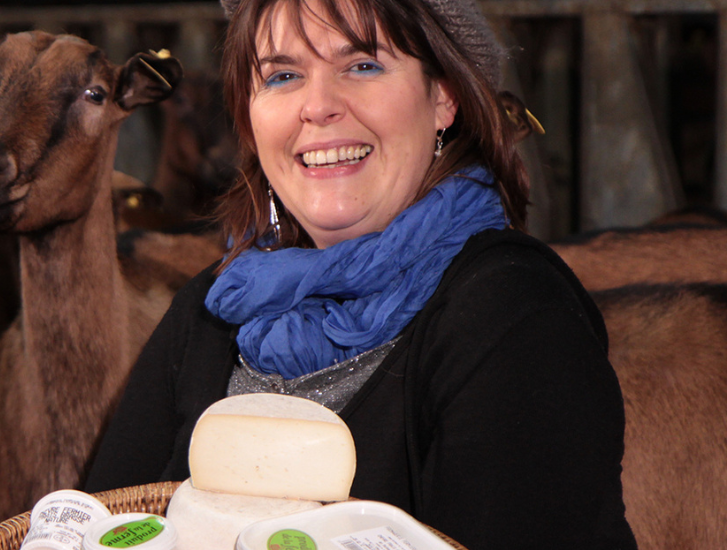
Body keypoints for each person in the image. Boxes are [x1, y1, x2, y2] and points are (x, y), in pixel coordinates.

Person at [82, 0, 637, 548]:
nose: (318, 106)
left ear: (443, 97)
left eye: (363, 65)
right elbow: (94, 527)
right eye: (282, 76)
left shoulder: (512, 313)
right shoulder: (215, 306)